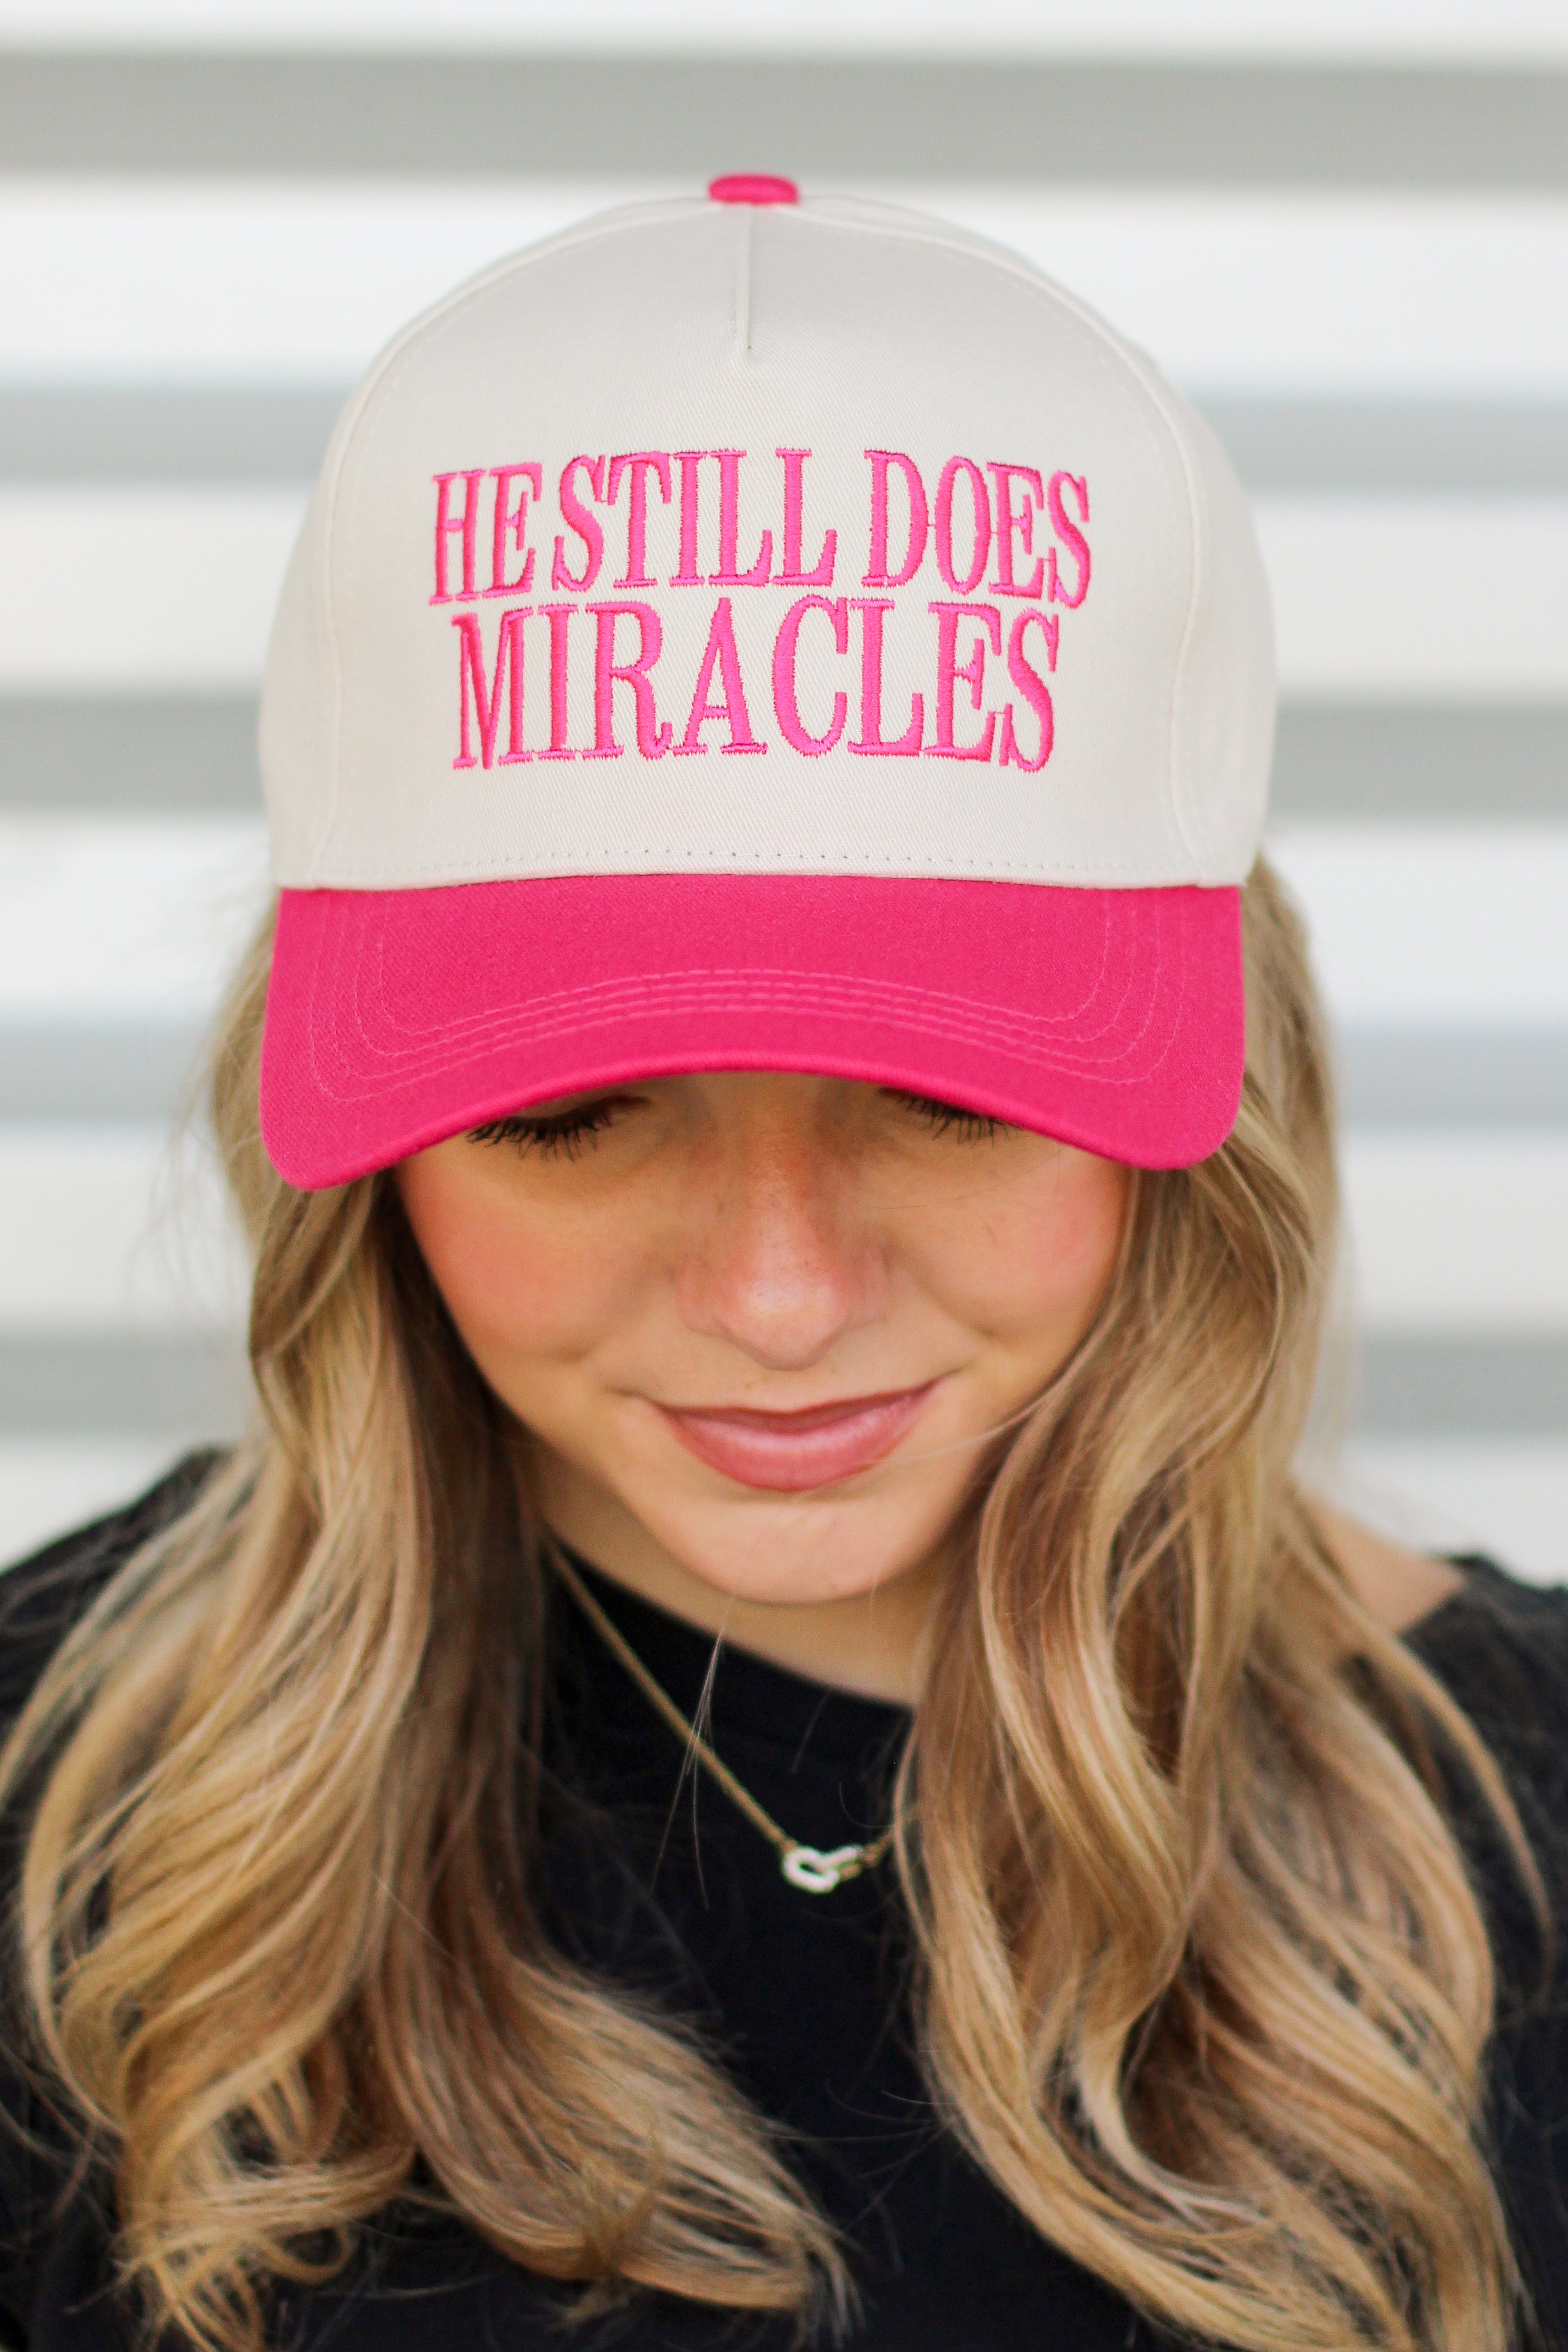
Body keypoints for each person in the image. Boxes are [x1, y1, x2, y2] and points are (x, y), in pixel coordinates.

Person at [1, 179, 1565, 2352]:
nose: (778, 1296)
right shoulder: (54, 1822)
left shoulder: (1533, 1841)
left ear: (1219, 1086)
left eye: (947, 1096)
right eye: (570, 1112)